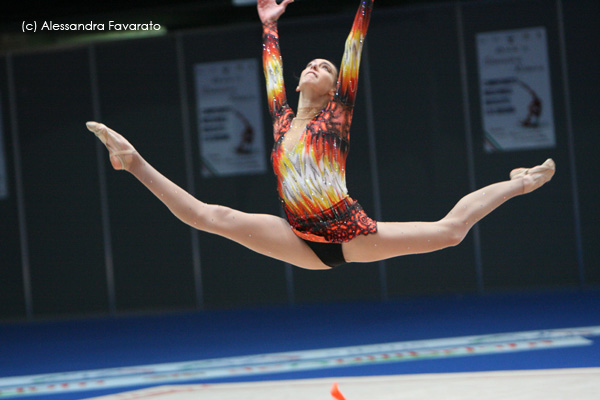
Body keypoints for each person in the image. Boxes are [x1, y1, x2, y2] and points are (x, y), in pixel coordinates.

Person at [86, 0, 555, 271]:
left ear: (336, 88)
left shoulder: (337, 119)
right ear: (299, 82)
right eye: (311, 64)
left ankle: (520, 181)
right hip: (298, 236)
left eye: (326, 68)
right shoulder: (282, 121)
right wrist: (269, 25)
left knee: (450, 233)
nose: (317, 66)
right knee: (211, 215)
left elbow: (354, 47)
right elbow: (272, 71)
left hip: (348, 232)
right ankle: (132, 159)